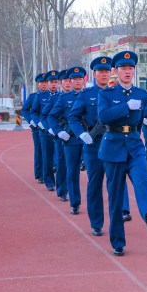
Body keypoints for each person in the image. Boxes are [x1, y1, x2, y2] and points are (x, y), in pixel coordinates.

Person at [97, 50, 147, 256]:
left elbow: (138, 122)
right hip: (113, 146)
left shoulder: (141, 95)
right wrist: (125, 107)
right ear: (116, 71)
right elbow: (103, 117)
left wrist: (135, 136)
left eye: (130, 68)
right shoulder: (106, 94)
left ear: (134, 71)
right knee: (116, 199)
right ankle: (118, 241)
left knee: (142, 178)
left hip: (134, 145)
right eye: (123, 68)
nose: (127, 71)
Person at [68, 57, 132, 234]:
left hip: (114, 144)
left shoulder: (118, 93)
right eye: (100, 71)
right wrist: (81, 134)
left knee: (116, 183)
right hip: (93, 145)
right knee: (95, 184)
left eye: (106, 71)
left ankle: (119, 218)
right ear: (94, 74)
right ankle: (96, 223)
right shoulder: (85, 95)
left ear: (111, 73)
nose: (103, 74)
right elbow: (73, 117)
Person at [48, 66, 86, 212]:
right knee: (72, 170)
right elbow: (51, 116)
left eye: (80, 79)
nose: (77, 82)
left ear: (83, 81)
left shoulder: (90, 95)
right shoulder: (64, 98)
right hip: (71, 140)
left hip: (90, 138)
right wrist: (58, 132)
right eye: (74, 79)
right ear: (70, 81)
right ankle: (75, 202)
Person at [31, 70, 59, 191]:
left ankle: (61, 181)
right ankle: (49, 181)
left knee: (58, 158)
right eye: (51, 82)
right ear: (47, 83)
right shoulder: (39, 96)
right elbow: (34, 112)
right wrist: (39, 124)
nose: (53, 84)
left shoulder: (61, 96)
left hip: (58, 131)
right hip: (45, 132)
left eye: (55, 82)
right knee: (46, 157)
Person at [43, 69, 69, 201]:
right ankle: (62, 190)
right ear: (61, 83)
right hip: (61, 134)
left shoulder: (79, 96)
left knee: (73, 164)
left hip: (76, 135)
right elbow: (45, 115)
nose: (68, 83)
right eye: (65, 81)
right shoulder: (55, 99)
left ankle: (71, 188)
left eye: (70, 80)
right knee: (62, 162)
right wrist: (53, 130)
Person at [21, 72, 47, 183]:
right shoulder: (33, 97)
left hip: (51, 128)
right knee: (39, 151)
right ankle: (39, 174)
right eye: (42, 82)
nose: (44, 84)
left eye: (46, 82)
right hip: (37, 128)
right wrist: (31, 121)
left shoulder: (55, 96)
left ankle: (50, 172)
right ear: (38, 84)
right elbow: (25, 110)